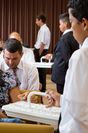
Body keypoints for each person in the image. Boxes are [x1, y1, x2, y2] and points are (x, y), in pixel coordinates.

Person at [46, 0, 88, 132]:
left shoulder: (81, 56)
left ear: (84, 23)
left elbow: (79, 110)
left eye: (72, 22)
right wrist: (62, 99)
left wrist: (67, 101)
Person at [45, 13, 79, 94]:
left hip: (62, 76)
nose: (59, 26)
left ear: (66, 24)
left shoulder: (65, 38)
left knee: (62, 97)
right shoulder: (74, 36)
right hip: (68, 75)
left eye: (60, 24)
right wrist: (53, 56)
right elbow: (65, 54)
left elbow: (67, 58)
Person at [33, 14, 51, 92]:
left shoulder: (44, 29)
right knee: (39, 70)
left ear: (40, 20)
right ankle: (40, 87)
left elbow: (43, 43)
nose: (36, 22)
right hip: (40, 50)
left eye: (37, 20)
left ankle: (42, 88)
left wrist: (39, 53)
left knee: (41, 71)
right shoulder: (43, 29)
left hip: (41, 51)